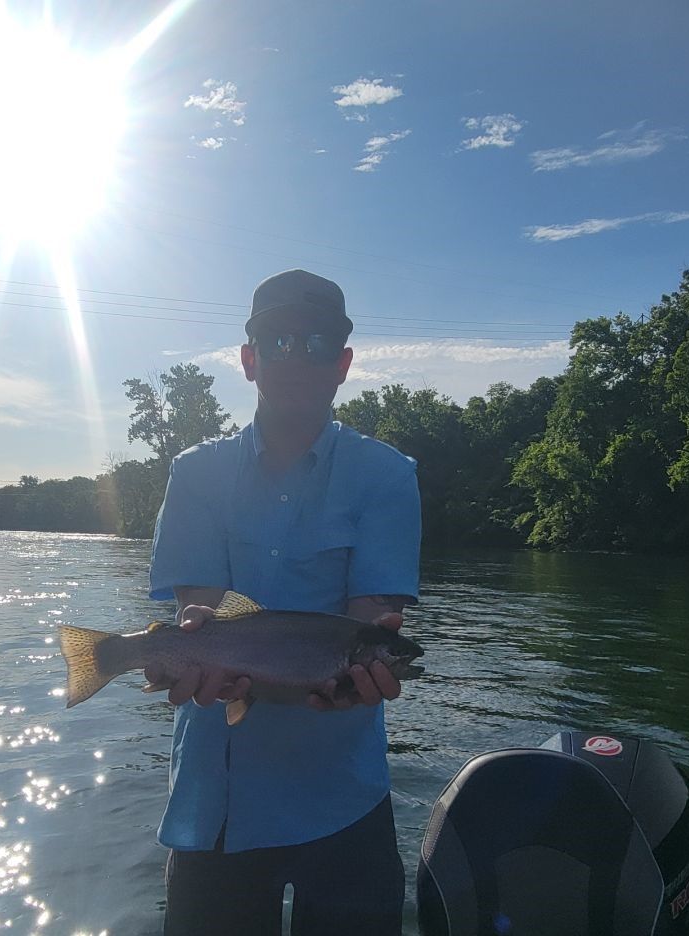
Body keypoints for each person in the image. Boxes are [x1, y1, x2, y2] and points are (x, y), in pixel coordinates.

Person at [148, 268, 422, 936]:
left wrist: (358, 673)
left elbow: (371, 618)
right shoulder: (195, 473)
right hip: (216, 800)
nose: (297, 356)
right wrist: (189, 644)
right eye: (277, 341)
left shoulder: (388, 475)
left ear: (343, 365)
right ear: (248, 360)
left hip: (344, 799)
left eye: (318, 341)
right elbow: (202, 612)